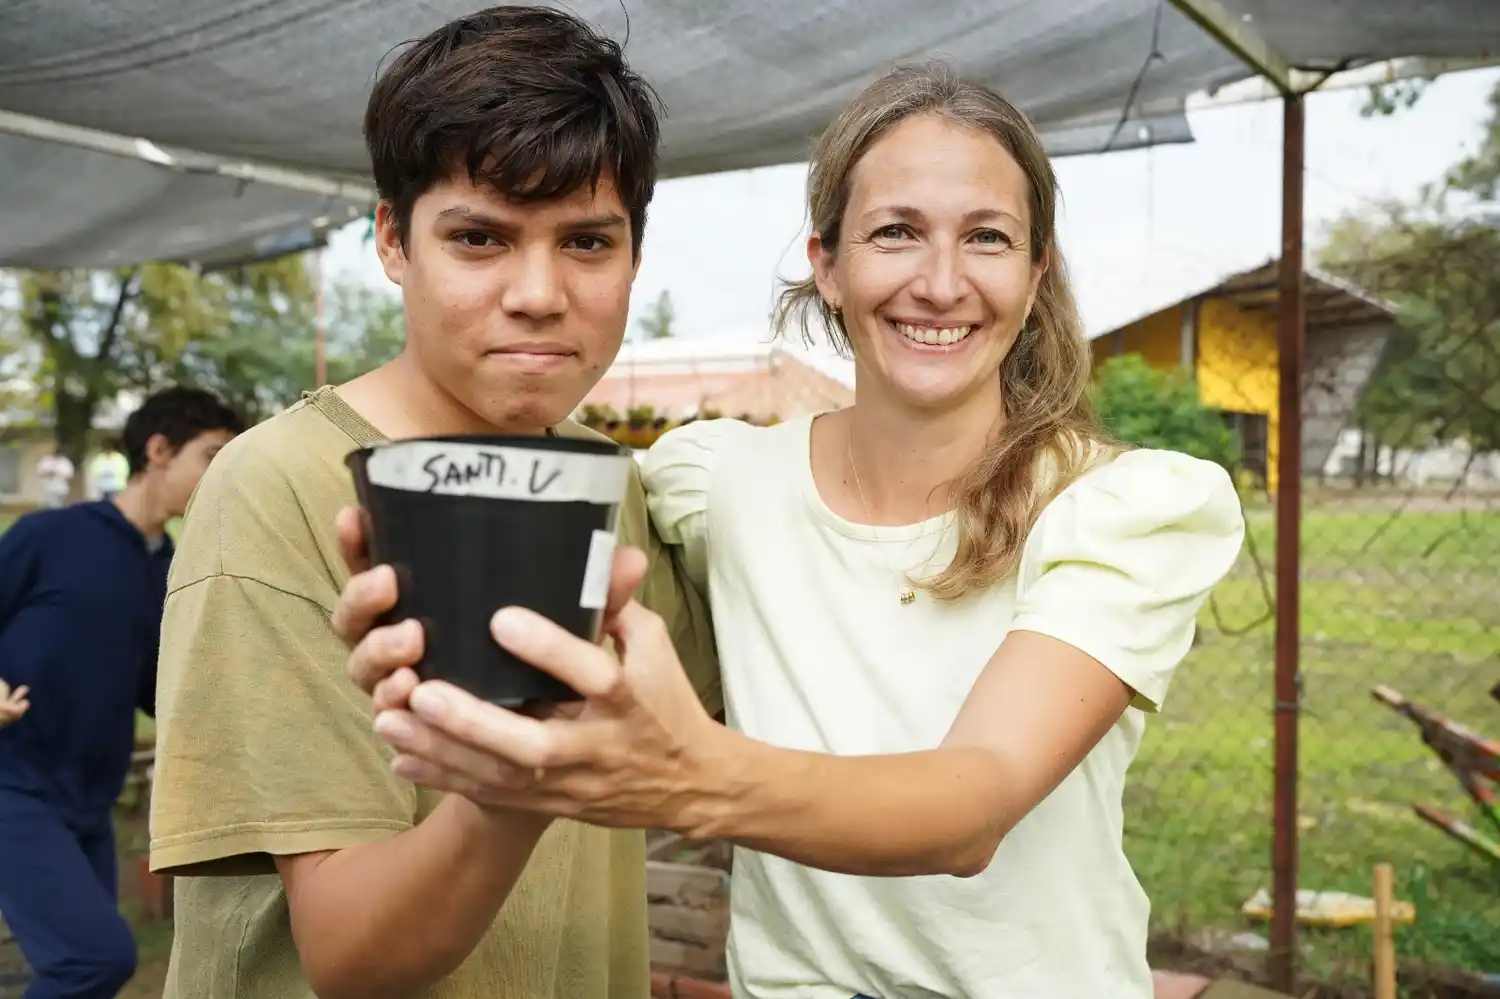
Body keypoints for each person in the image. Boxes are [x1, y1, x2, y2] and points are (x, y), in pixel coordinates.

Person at [332, 64, 1248, 999]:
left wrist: (684, 776)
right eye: (895, 233)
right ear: (828, 263)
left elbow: (972, 805)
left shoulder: (1124, 507)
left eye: (988, 238)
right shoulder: (715, 484)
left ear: (1035, 268)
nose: (941, 282)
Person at [145, 8, 719, 999]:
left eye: (586, 240)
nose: (539, 292)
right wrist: (526, 781)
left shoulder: (606, 484)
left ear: (635, 254)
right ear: (392, 242)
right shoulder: (282, 487)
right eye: (479, 238)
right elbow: (352, 957)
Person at [0, 386, 241, 999]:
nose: (222, 476)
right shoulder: (47, 535)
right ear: (159, 450)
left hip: (90, 804)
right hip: (13, 787)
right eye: (211, 456)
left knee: (88, 974)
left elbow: (158, 693)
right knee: (93, 961)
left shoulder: (173, 571)